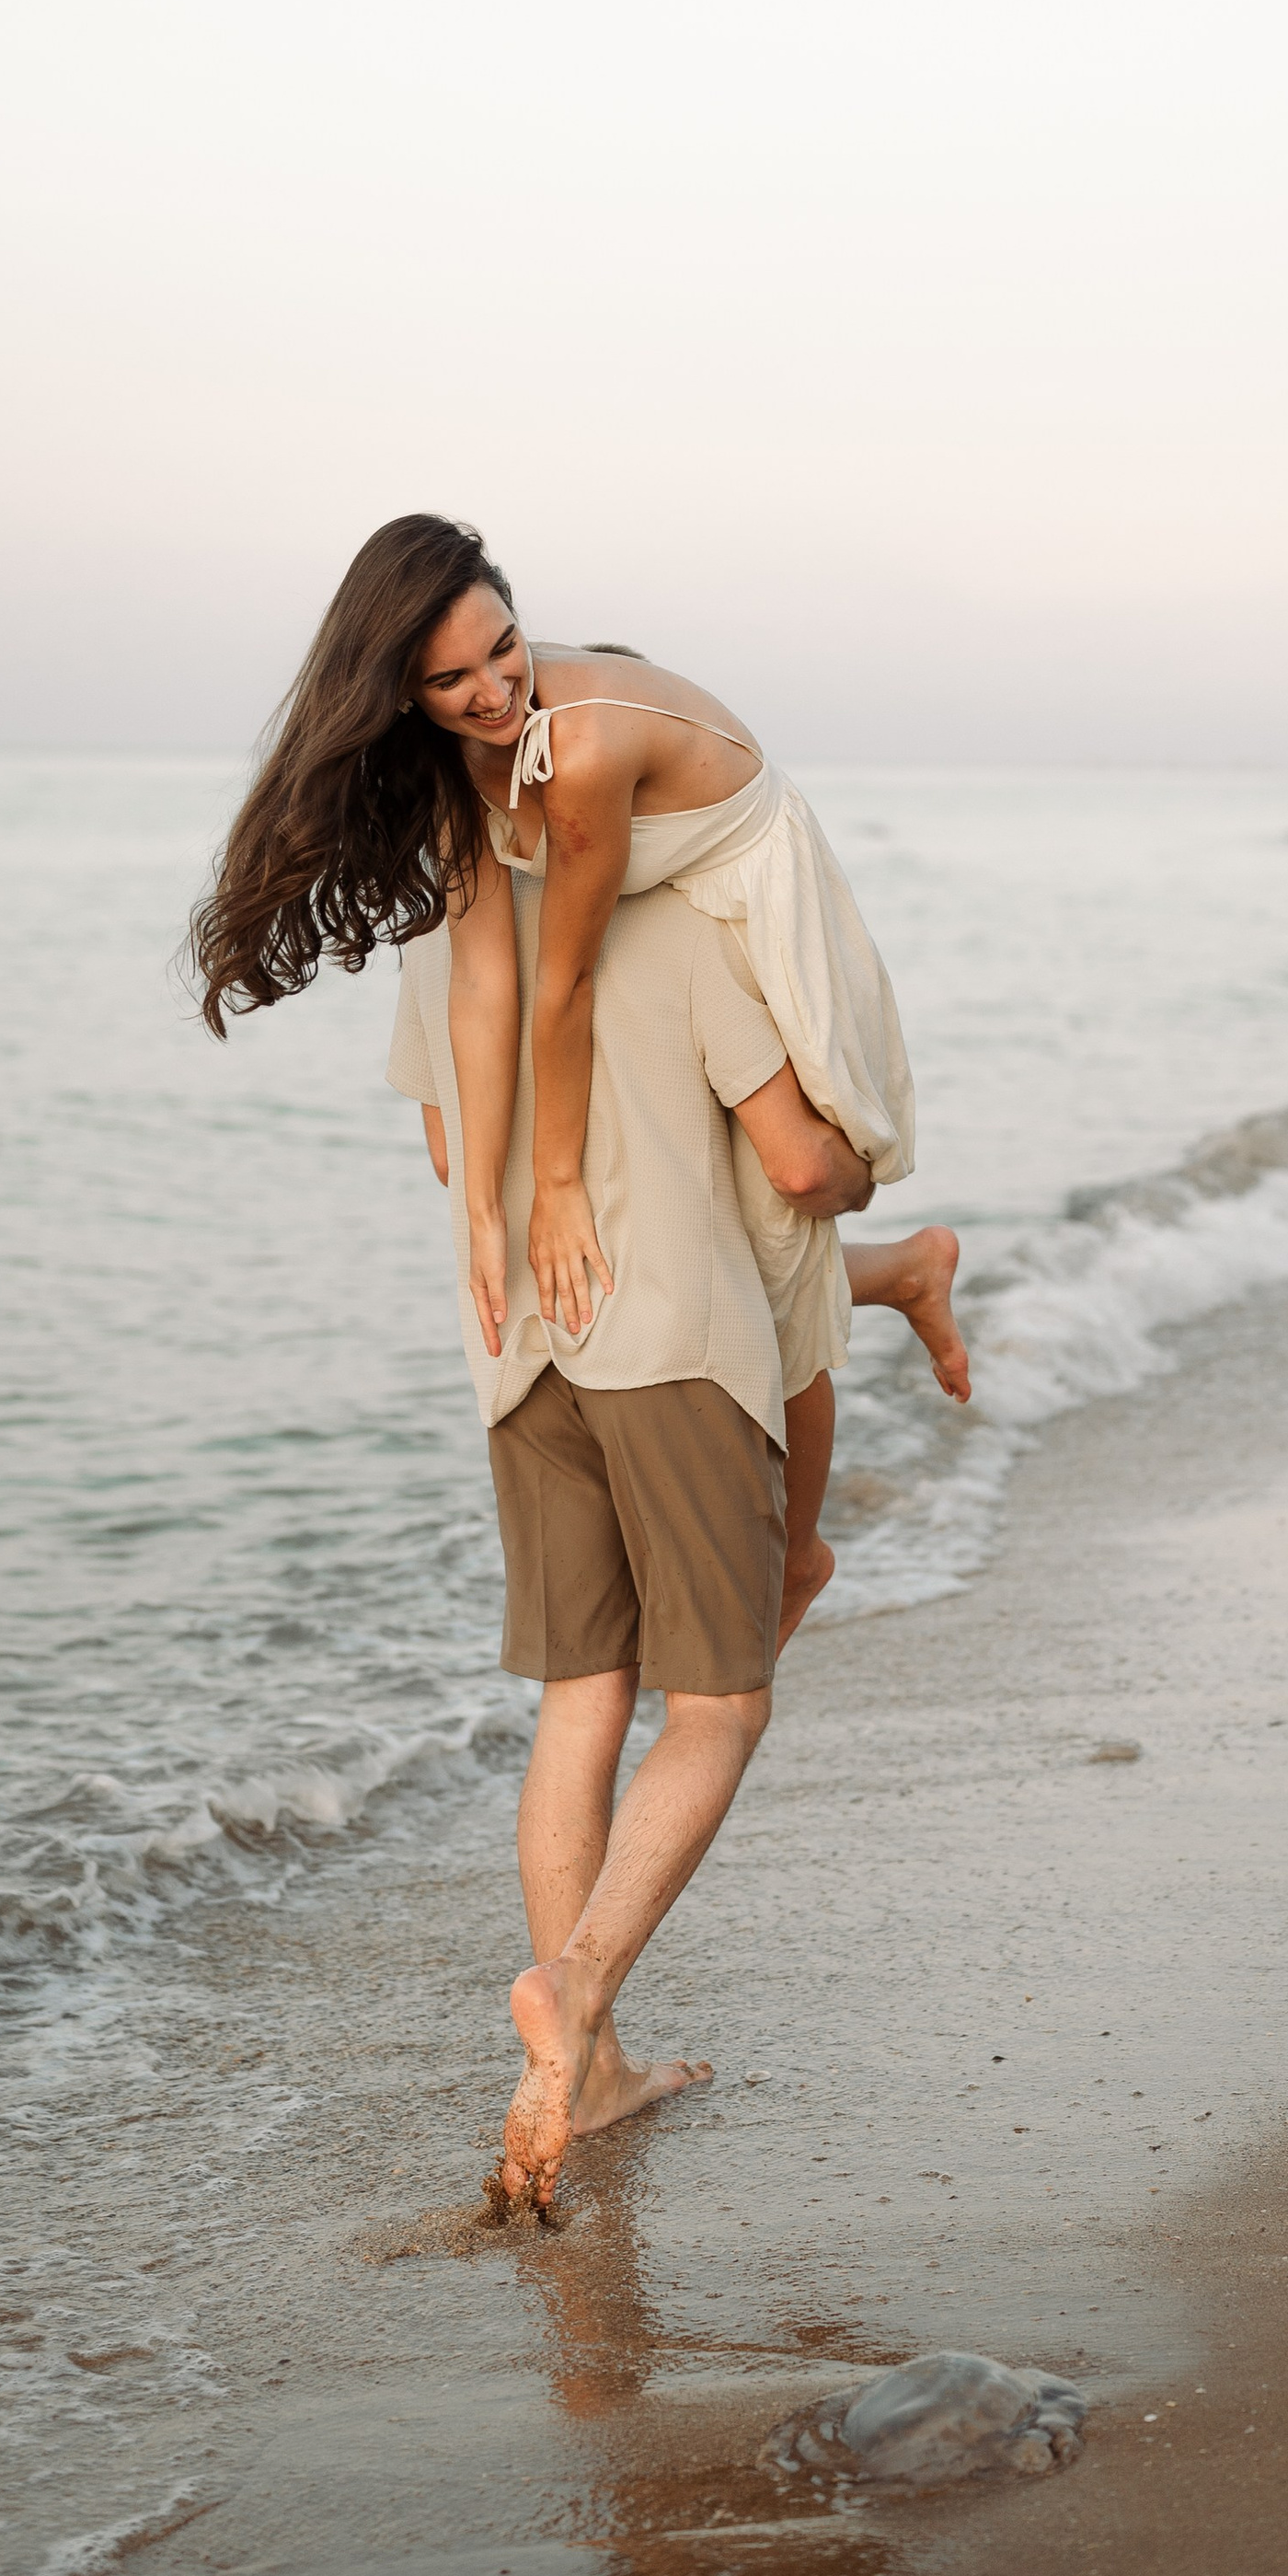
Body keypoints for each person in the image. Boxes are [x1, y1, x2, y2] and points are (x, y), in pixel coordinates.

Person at [190, 513, 968, 1637]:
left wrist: (555, 1188)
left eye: (505, 648)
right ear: (397, 689)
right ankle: (895, 1279)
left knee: (798, 1180)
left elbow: (563, 989)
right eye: (450, 679)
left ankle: (801, 1542)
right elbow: (486, 992)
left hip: (744, 889)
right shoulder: (453, 768)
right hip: (642, 901)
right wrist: (480, 1216)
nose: (496, 690)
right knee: (695, 1216)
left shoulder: (584, 748)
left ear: (517, 610)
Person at [385, 860, 870, 2209]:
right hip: (670, 1347)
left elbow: (445, 1151)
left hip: (522, 1353)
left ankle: (590, 2077)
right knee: (717, 1707)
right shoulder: (681, 924)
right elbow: (796, 1163)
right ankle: (576, 1992)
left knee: (580, 1698)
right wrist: (862, 1161)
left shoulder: (448, 935)